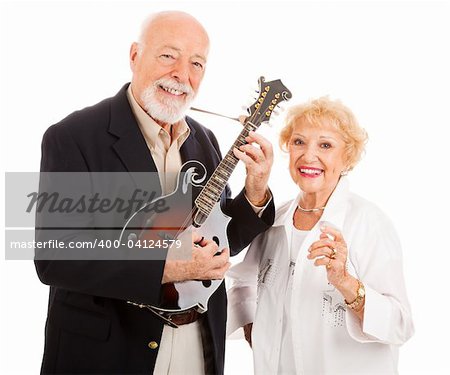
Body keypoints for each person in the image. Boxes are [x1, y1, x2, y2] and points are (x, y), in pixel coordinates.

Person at [35, 11, 275, 374]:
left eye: (197, 63)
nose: (182, 74)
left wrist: (255, 193)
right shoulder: (73, 136)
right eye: (168, 55)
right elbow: (55, 257)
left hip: (196, 346)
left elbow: (213, 241)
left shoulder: (205, 141)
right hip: (109, 353)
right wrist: (166, 267)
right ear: (135, 56)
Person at [227, 96, 414, 374]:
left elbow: (400, 325)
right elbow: (244, 283)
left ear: (347, 157)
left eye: (325, 145)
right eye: (299, 142)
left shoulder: (368, 223)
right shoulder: (275, 221)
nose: (308, 156)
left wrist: (346, 283)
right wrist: (259, 331)